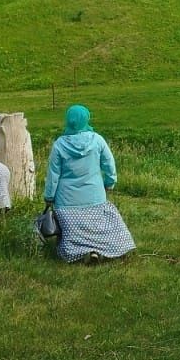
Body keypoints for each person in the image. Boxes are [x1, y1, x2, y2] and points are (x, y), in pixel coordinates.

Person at [42, 105, 135, 263]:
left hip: (67, 202)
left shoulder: (59, 144)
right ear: (87, 119)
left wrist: (49, 196)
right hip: (95, 197)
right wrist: (109, 182)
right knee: (105, 225)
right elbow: (109, 164)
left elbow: (53, 174)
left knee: (72, 231)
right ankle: (104, 249)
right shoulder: (97, 140)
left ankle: (77, 253)